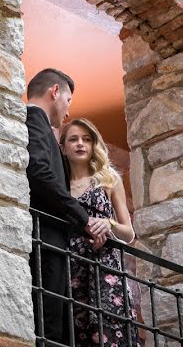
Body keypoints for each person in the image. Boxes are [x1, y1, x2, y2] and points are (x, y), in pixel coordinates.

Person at [25, 69, 111, 345]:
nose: (66, 110)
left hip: (52, 246)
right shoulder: (34, 120)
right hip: (46, 244)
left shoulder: (42, 128)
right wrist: (84, 219)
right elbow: (39, 172)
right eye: (68, 100)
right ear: (54, 92)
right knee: (49, 328)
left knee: (55, 326)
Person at [60, 118, 138, 347]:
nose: (80, 144)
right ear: (63, 147)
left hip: (105, 269)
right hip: (71, 268)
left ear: (94, 145)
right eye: (73, 139)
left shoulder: (109, 180)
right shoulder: (59, 186)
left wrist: (109, 224)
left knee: (110, 333)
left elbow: (128, 233)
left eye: (86, 139)